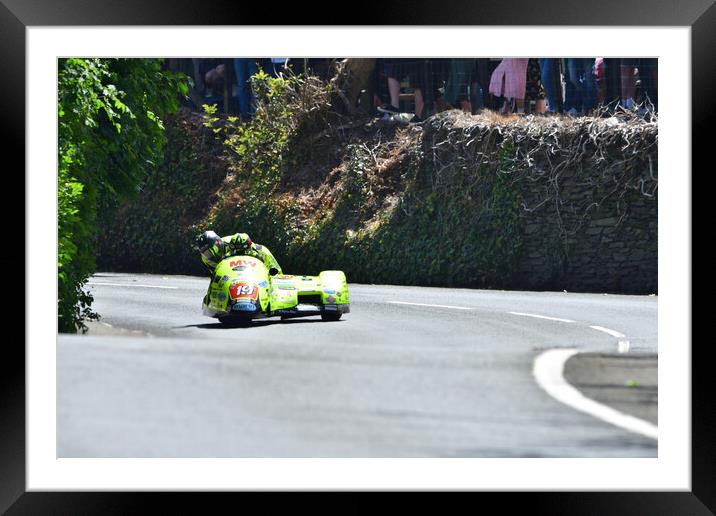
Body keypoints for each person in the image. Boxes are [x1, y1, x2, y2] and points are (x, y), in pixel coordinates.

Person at [196, 230, 283, 275]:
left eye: (210, 251)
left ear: (218, 243)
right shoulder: (206, 259)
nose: (209, 255)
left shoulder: (231, 242)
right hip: (232, 277)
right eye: (205, 253)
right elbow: (216, 275)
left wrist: (275, 273)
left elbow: (252, 246)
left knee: (263, 250)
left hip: (250, 271)